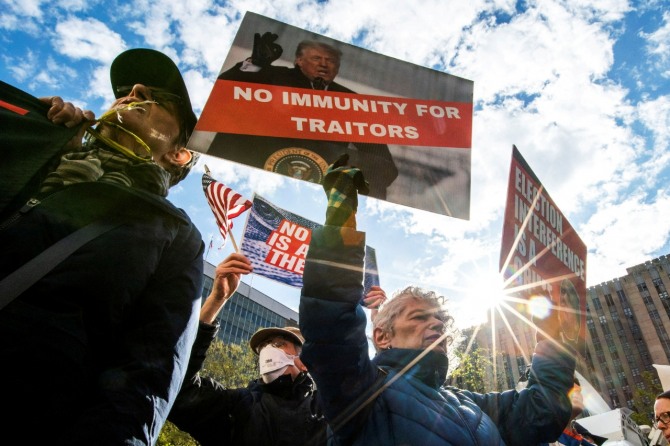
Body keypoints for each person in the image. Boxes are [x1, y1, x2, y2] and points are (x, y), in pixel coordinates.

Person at [0, 48, 203, 445]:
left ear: (179, 154)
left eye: (158, 98)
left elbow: (144, 382)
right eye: (127, 91)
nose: (134, 91)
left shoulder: (176, 235)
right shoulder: (39, 152)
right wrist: (29, 135)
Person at [298, 157, 577, 445]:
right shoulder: (364, 391)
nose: (436, 324)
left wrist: (551, 337)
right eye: (419, 317)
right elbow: (330, 323)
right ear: (382, 336)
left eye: (440, 320)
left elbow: (541, 414)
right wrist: (341, 213)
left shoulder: (471, 404)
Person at [168, 251, 386, 445]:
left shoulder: (327, 408)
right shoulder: (237, 406)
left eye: (281, 344)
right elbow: (176, 387)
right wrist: (217, 299)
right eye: (265, 346)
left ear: (303, 360)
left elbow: (378, 398)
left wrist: (380, 326)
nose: (269, 349)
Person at [211, 32, 398, 199]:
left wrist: (352, 185)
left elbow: (382, 164)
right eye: (317, 58)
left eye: (331, 60)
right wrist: (256, 63)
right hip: (251, 175)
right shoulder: (268, 76)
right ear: (299, 61)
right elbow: (223, 93)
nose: (324, 64)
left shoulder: (350, 101)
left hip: (311, 193)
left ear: (338, 68)